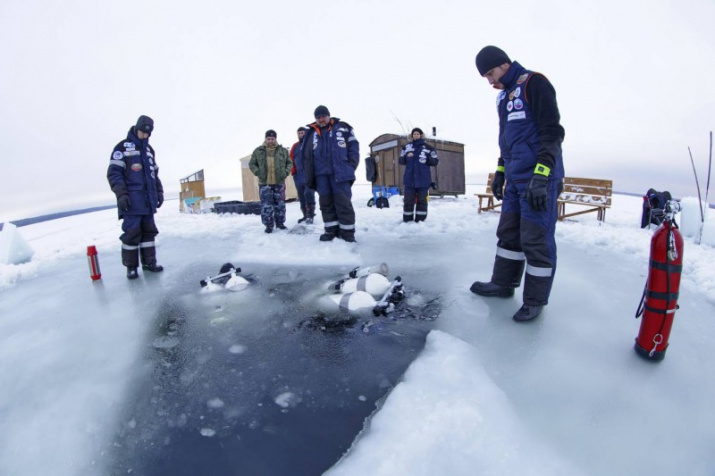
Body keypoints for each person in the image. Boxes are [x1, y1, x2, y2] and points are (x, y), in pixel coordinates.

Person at [470, 46, 565, 322]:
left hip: (539, 179)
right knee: (509, 235)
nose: (489, 80)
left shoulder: (535, 83)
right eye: (485, 76)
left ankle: (535, 300)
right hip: (515, 179)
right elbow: (506, 141)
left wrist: (542, 173)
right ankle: (503, 284)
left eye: (490, 73)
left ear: (504, 64)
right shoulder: (504, 98)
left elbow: (552, 131)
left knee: (535, 240)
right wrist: (500, 171)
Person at [107, 115, 165, 280]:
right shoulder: (122, 148)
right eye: (142, 132)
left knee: (149, 232)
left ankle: (149, 263)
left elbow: (154, 174)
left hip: (148, 201)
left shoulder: (149, 150)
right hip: (131, 202)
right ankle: (131, 268)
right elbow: (114, 174)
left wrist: (159, 192)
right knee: (132, 234)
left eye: (148, 134)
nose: (144, 136)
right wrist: (121, 194)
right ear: (136, 128)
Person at [302, 105, 360, 242]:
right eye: (318, 117)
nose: (321, 119)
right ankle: (330, 231)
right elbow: (305, 155)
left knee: (343, 203)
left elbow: (354, 147)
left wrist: (350, 165)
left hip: (340, 173)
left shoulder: (343, 127)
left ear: (328, 115)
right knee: (326, 204)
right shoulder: (311, 132)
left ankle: (347, 234)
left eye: (323, 116)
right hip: (321, 175)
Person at [249, 129, 293, 233]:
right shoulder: (258, 151)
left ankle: (280, 223)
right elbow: (252, 164)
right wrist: (258, 172)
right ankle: (268, 225)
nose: (270, 141)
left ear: (275, 139)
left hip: (279, 182)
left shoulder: (282, 151)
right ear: (265, 139)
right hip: (265, 183)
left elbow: (289, 163)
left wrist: (285, 172)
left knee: (280, 204)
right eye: (268, 138)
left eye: (272, 139)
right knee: (266, 206)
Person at [399, 127, 438, 222]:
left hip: (423, 180)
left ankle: (421, 221)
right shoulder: (406, 147)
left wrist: (427, 159)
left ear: (421, 135)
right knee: (408, 201)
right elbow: (400, 160)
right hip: (409, 180)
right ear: (412, 135)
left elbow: (435, 161)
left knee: (422, 201)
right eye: (414, 134)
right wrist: (406, 157)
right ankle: (407, 220)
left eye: (417, 134)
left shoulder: (429, 148)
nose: (416, 135)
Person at [290, 126, 316, 224]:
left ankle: (310, 216)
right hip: (298, 175)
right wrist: (294, 172)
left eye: (302, 133)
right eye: (299, 133)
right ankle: (305, 215)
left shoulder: (311, 143)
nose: (300, 135)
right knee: (301, 196)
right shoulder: (295, 146)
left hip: (309, 174)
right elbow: (291, 159)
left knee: (309, 194)